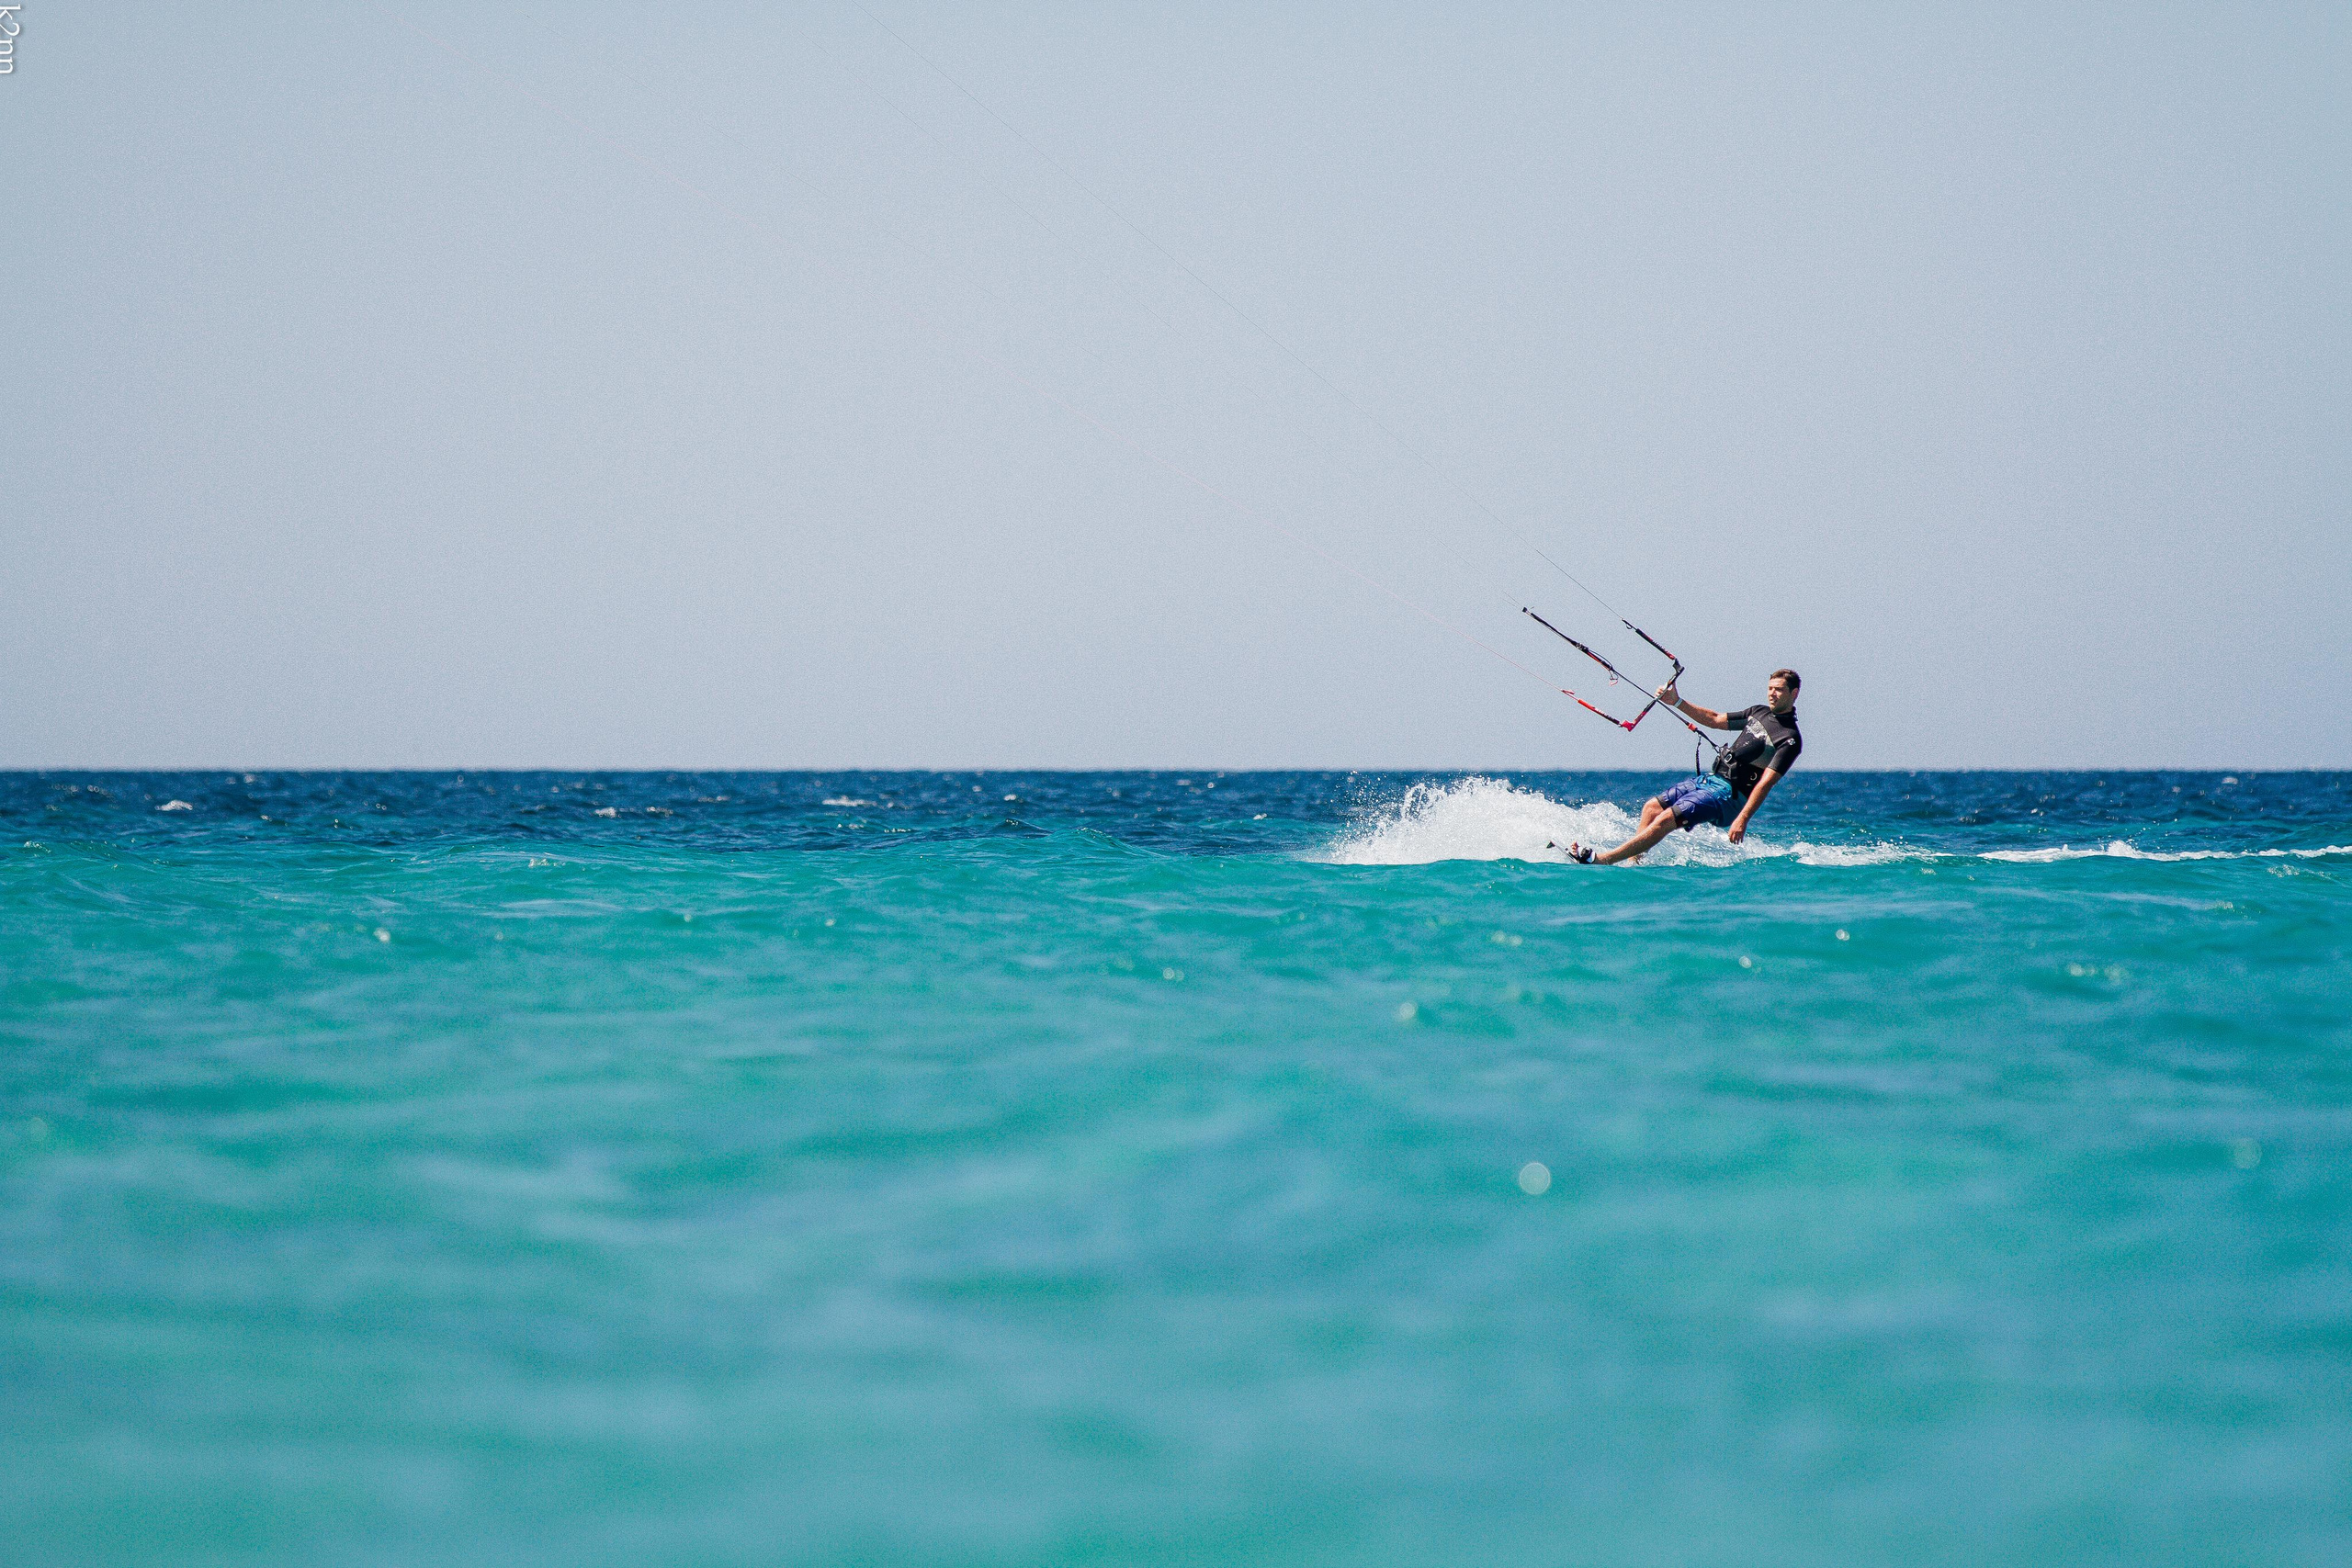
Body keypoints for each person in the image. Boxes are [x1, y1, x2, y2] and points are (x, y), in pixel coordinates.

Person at [1562, 670, 1803, 864]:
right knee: (1651, 808)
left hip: (1730, 796)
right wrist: (1676, 701)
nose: (1772, 694)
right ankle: (1633, 865)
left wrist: (1743, 819)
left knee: (1667, 818)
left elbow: (1765, 783)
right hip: (1709, 781)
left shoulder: (1789, 738)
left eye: (1779, 690)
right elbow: (1715, 719)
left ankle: (1603, 860)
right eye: (1770, 688)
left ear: (1794, 694)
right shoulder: (1758, 712)